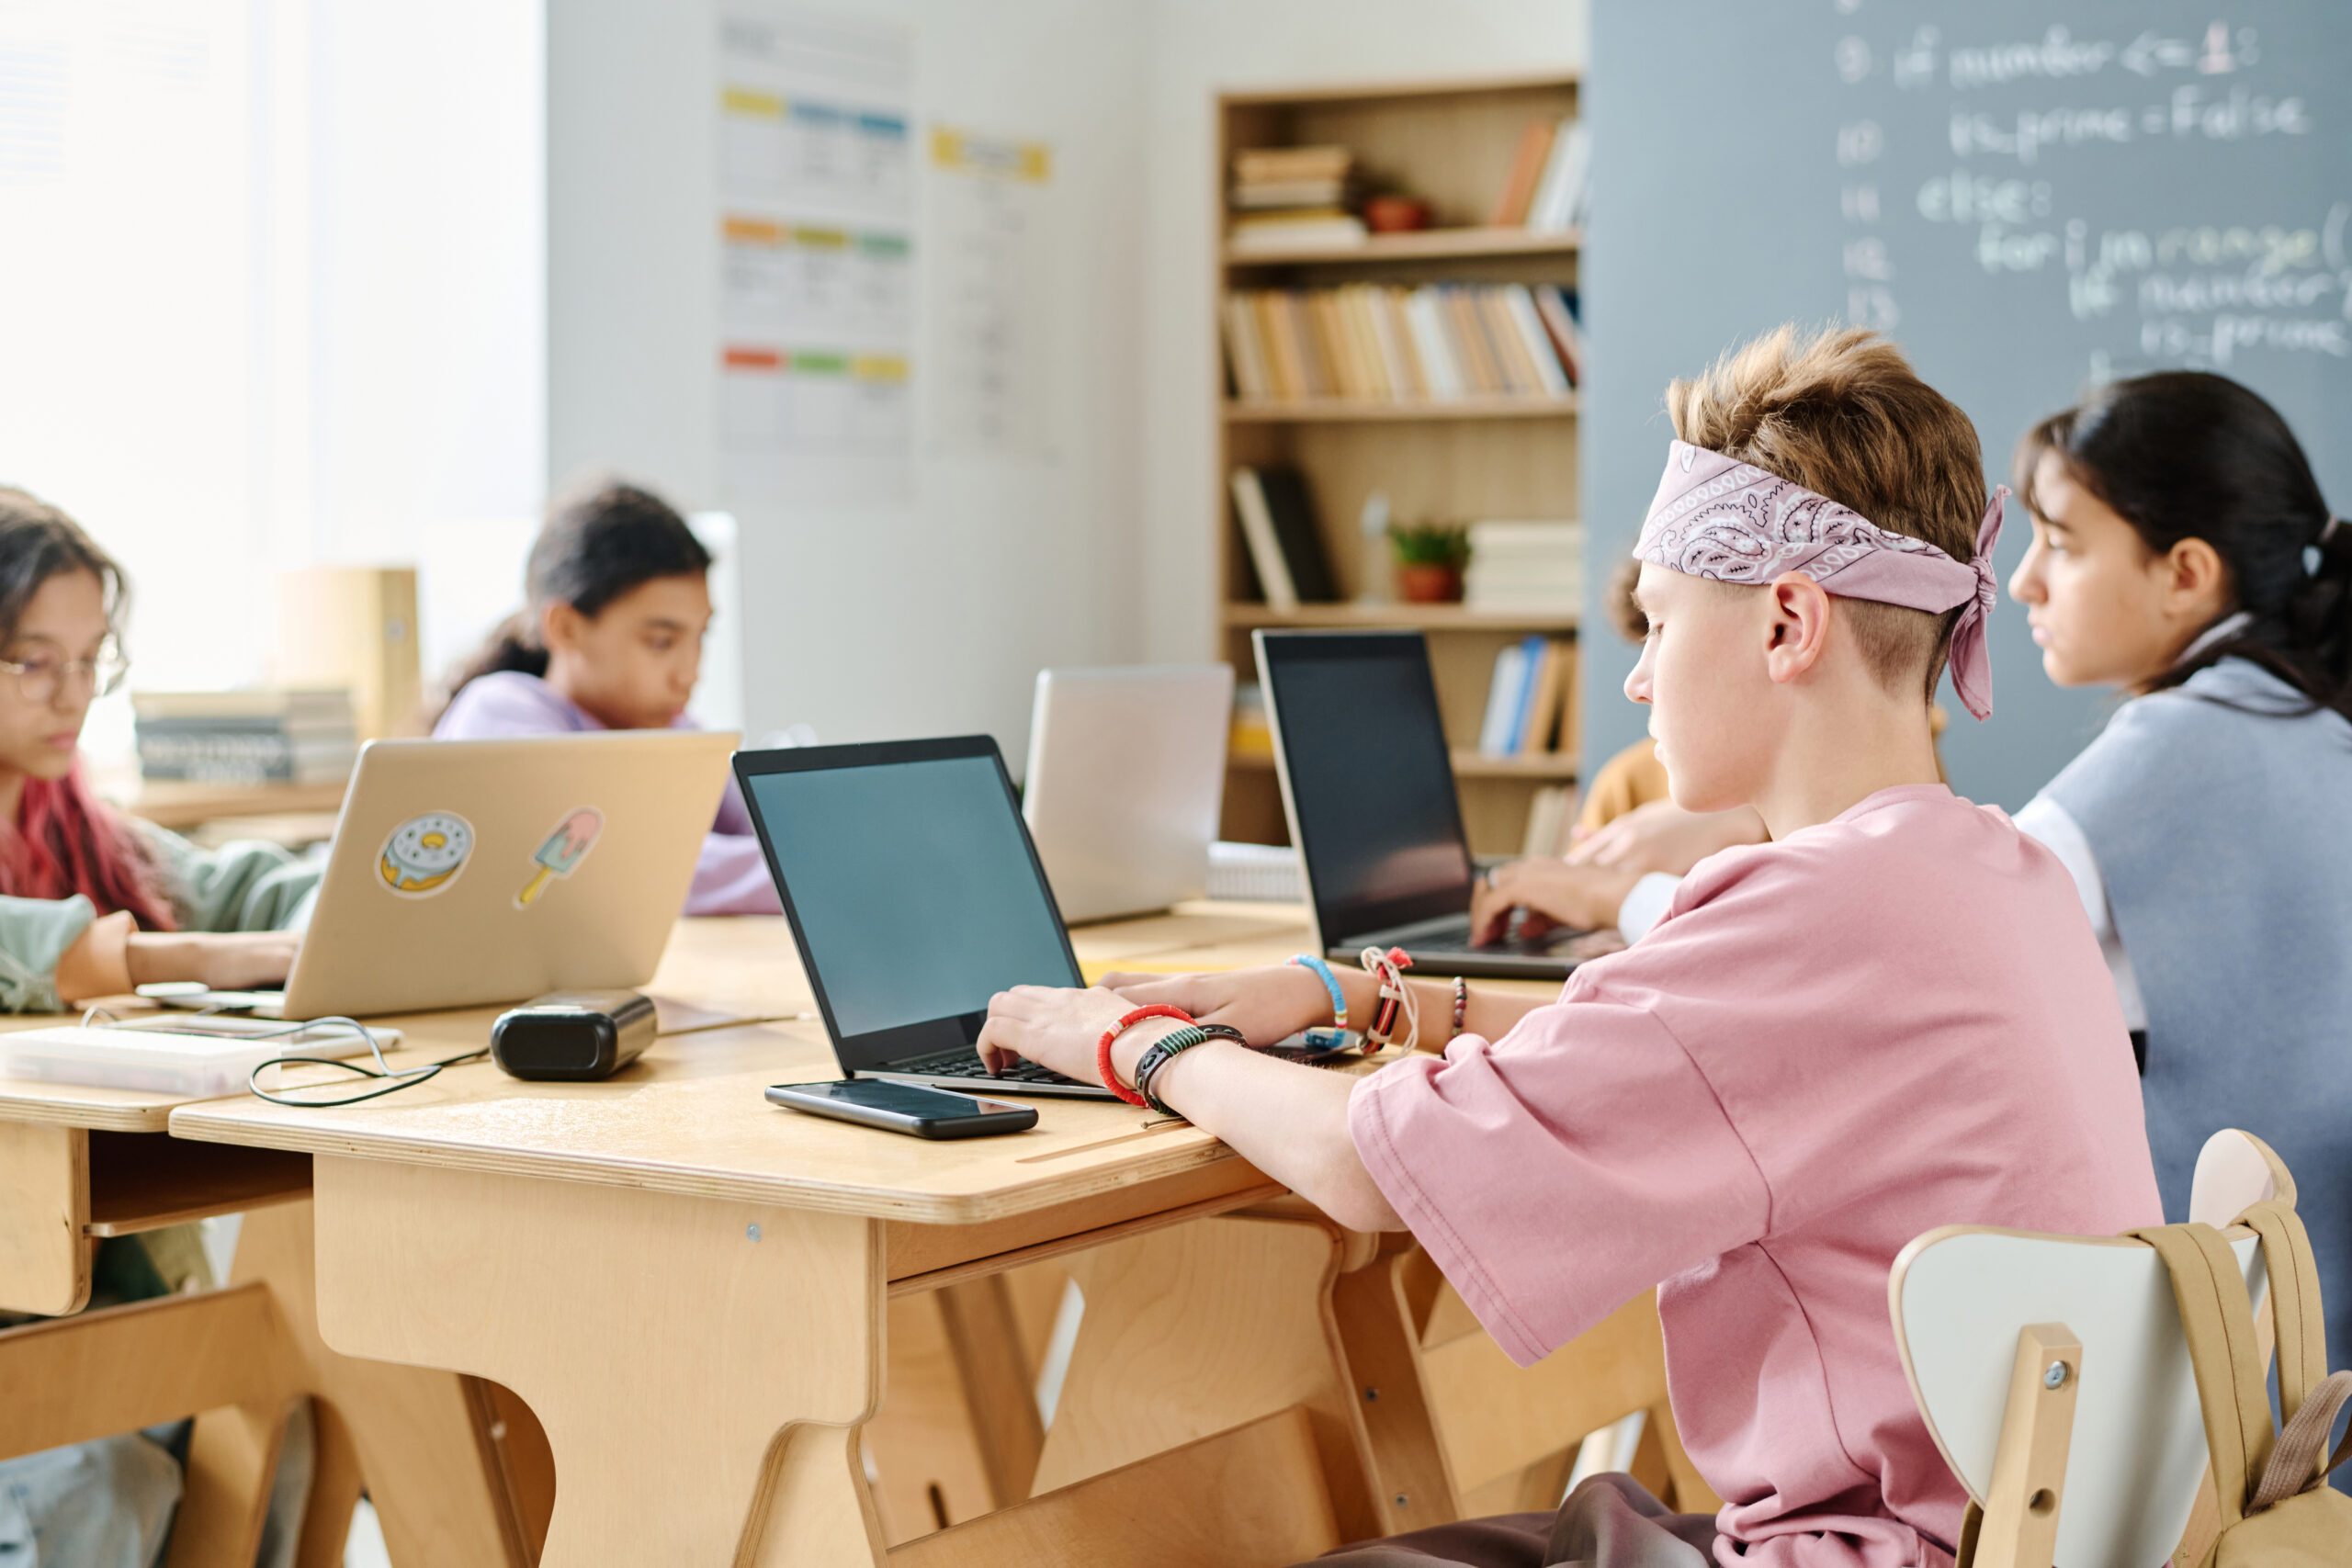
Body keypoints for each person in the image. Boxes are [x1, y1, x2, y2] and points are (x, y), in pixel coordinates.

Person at [975, 327, 2159, 1566]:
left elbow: (1366, 1166)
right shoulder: (1983, 869)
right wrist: (1358, 996)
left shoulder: (1811, 916)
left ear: (1786, 623)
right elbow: (1652, 1038)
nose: (1640, 679)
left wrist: (1142, 1043)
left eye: (1656, 624)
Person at [2007, 370, 2352, 1442]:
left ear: (2185, 574)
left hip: (2208, 1430)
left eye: (2061, 543)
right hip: (2316, 1406)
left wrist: (1654, 891)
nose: (2022, 583)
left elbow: (1930, 949)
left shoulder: (2172, 753)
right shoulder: (2318, 720)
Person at [0, 485, 316, 1564]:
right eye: (34, 660)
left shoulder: (77, 827)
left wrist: (359, 912)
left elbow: (248, 891)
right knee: (103, 1483)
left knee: (288, 1423)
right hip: (25, 1328)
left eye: (92, 661)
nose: (72, 694)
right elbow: (44, 943)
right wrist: (179, 957)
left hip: (98, 1306)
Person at [433, 479, 781, 915]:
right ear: (564, 628)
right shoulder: (502, 717)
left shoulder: (674, 733)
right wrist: (806, 870)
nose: (691, 673)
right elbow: (623, 870)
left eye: (700, 637)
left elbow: (764, 834)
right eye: (660, 642)